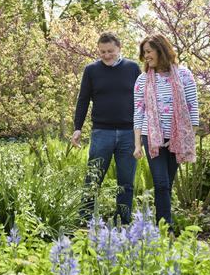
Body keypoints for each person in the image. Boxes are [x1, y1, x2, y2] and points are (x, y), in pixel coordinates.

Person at [72, 32, 142, 225]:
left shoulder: (133, 68)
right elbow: (83, 100)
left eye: (110, 51)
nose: (106, 55)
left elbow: (143, 101)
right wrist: (78, 127)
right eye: (102, 52)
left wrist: (143, 131)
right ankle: (85, 220)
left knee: (126, 182)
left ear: (119, 48)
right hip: (101, 132)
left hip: (129, 133)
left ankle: (123, 221)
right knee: (93, 178)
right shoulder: (91, 70)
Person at [132, 33, 199, 233]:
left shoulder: (185, 75)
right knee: (161, 183)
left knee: (167, 184)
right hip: (151, 137)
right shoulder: (143, 79)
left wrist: (185, 138)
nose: (146, 57)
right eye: (144, 53)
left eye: (149, 52)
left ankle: (160, 224)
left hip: (177, 138)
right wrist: (137, 144)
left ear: (161, 51)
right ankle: (165, 229)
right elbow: (138, 111)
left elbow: (192, 108)